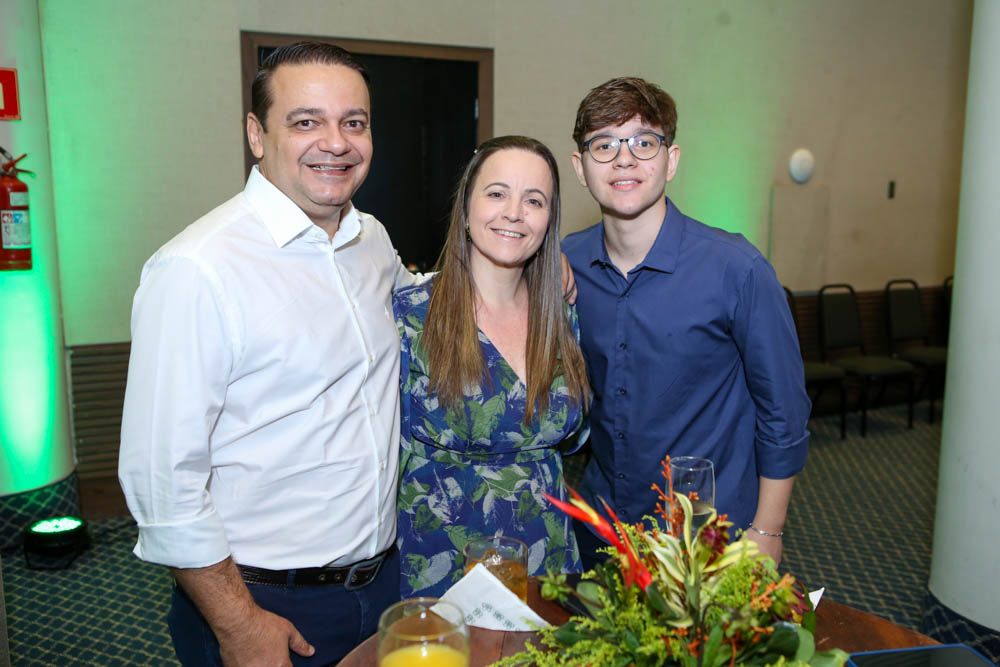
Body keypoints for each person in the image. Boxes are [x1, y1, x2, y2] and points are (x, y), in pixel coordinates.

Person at [118, 42, 417, 665]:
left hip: (383, 581)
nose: (335, 143)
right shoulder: (198, 268)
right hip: (262, 601)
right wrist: (238, 623)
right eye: (306, 121)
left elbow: (431, 303)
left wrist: (534, 266)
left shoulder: (371, 240)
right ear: (257, 135)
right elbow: (161, 480)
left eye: (354, 122)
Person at [562, 77, 810, 570]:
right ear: (580, 167)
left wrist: (768, 529)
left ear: (671, 160)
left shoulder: (736, 269)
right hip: (603, 528)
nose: (624, 159)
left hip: (707, 536)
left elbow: (783, 413)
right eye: (604, 144)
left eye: (644, 142)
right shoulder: (565, 264)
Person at [394, 136, 590, 597]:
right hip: (443, 562)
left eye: (534, 200)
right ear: (466, 208)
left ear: (549, 220)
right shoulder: (410, 316)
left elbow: (577, 437)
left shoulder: (561, 316)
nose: (514, 213)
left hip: (549, 557)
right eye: (497, 193)